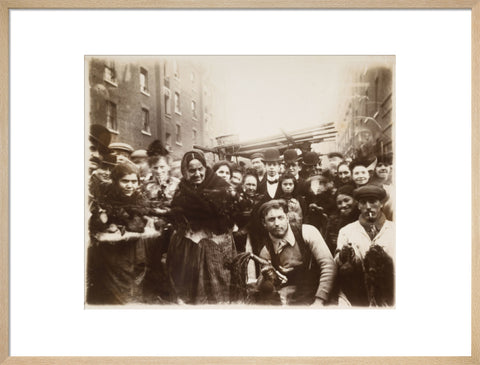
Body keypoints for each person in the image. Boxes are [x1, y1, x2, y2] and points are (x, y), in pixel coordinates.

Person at [167, 150, 239, 304]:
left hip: (216, 246)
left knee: (218, 285)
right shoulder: (182, 189)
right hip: (191, 248)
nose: (197, 174)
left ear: (206, 168)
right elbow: (176, 213)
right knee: (193, 289)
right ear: (185, 171)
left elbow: (232, 216)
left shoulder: (220, 185)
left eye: (201, 169)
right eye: (192, 170)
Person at [87, 161, 154, 304]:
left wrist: (123, 224)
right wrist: (104, 222)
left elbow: (138, 223)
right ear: (116, 181)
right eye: (125, 181)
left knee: (133, 285)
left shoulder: (140, 199)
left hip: (134, 250)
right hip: (110, 253)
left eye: (133, 181)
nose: (130, 186)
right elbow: (95, 224)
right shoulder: (106, 198)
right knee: (113, 291)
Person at [255, 200, 336, 305]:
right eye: (271, 219)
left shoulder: (307, 232)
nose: (277, 223)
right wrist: (266, 280)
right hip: (292, 297)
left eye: (280, 217)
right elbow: (267, 286)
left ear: (287, 218)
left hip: (320, 292)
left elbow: (328, 266)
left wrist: (319, 301)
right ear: (263, 223)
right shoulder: (266, 251)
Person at [335, 185, 395, 306]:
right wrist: (343, 256)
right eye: (363, 203)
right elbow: (336, 263)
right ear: (358, 206)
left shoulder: (394, 229)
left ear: (381, 204)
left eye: (373, 202)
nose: (368, 207)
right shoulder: (346, 231)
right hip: (355, 294)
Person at [324, 185, 360, 255]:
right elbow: (329, 246)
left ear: (355, 200)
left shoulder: (363, 218)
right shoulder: (333, 222)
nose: (343, 205)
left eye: (346, 200)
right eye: (339, 203)